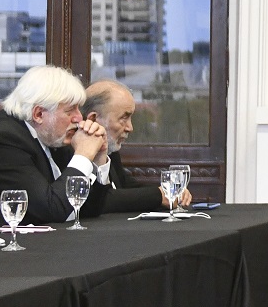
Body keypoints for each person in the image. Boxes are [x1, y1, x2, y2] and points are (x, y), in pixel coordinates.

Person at [0, 65, 113, 226]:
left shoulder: (52, 137)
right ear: (38, 114)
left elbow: (87, 208)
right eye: (70, 111)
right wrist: (82, 155)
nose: (79, 118)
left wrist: (98, 160)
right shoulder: (0, 141)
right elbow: (52, 209)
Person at [73, 80, 190, 214]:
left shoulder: (111, 149)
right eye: (124, 118)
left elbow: (125, 187)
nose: (130, 128)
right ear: (93, 119)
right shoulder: (73, 153)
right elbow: (101, 200)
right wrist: (158, 196)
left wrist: (168, 191)